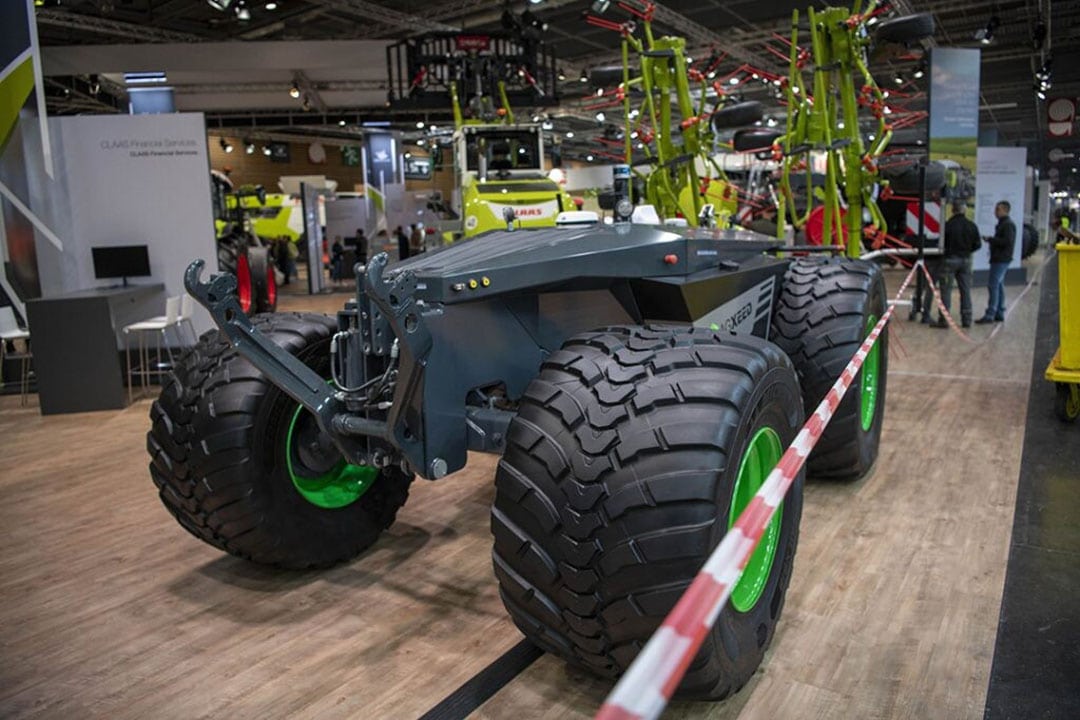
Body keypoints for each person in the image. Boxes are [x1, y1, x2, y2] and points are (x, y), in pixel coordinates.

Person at [933, 200, 981, 328]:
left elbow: (940, 244)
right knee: (965, 290)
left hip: (949, 260)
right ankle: (966, 319)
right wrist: (967, 251)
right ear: (964, 210)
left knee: (946, 291)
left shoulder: (947, 226)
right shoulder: (972, 226)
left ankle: (944, 320)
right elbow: (978, 244)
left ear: (953, 210)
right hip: (966, 261)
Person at [976, 200, 1016, 324]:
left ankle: (991, 313)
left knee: (993, 285)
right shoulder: (1003, 224)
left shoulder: (1008, 225)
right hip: (1000, 258)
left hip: (1001, 259)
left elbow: (1007, 242)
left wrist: (991, 240)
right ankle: (999, 311)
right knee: (998, 285)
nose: (995, 212)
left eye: (998, 209)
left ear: (1005, 210)